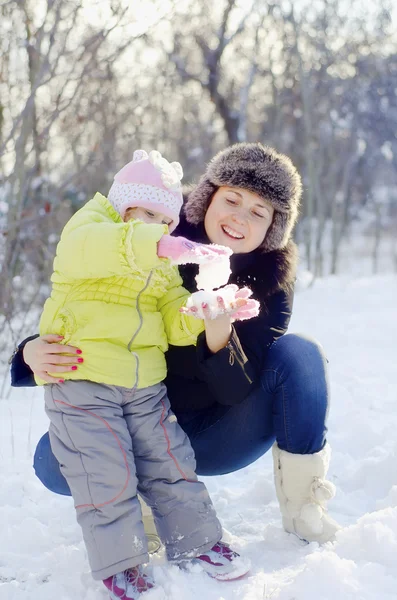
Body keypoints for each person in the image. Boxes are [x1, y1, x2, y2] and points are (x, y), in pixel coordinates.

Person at [11, 143, 340, 556]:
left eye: (259, 212)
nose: (240, 217)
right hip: (132, 420)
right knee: (50, 459)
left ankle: (303, 506)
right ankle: (143, 507)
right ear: (207, 198)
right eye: (232, 199)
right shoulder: (158, 229)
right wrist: (29, 353)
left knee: (301, 354)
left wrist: (218, 328)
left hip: (215, 432)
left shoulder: (270, 282)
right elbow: (85, 290)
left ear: (273, 227)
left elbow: (235, 391)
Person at [27, 149, 253, 600]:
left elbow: (172, 320)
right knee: (103, 472)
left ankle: (199, 541)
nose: (159, 226)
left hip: (144, 385)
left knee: (171, 463)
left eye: (166, 220)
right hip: (83, 379)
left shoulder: (162, 265)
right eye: (147, 213)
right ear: (123, 207)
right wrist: (158, 244)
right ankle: (122, 561)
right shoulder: (89, 229)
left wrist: (205, 309)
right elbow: (96, 249)